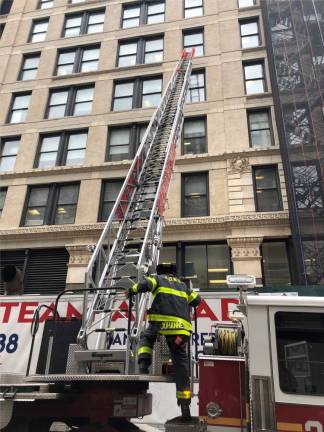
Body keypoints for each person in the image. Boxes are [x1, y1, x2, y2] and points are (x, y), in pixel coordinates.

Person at [128, 263, 201, 422]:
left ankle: (143, 365)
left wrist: (132, 290)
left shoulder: (158, 279)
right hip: (181, 331)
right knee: (181, 365)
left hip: (160, 324)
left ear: (161, 272)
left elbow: (146, 284)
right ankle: (184, 404)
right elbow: (197, 300)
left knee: (146, 338)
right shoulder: (183, 286)